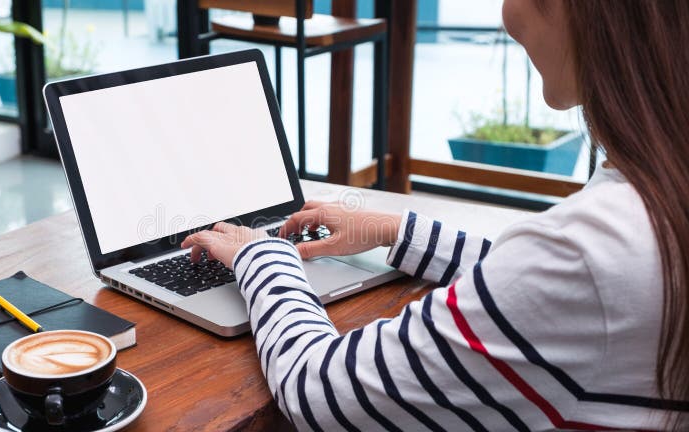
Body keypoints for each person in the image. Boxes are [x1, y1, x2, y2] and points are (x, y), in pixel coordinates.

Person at [182, 0, 689, 429]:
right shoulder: (657, 202)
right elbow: (538, 294)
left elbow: (317, 391)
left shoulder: (587, 255)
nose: (507, 19)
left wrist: (260, 255)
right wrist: (395, 231)